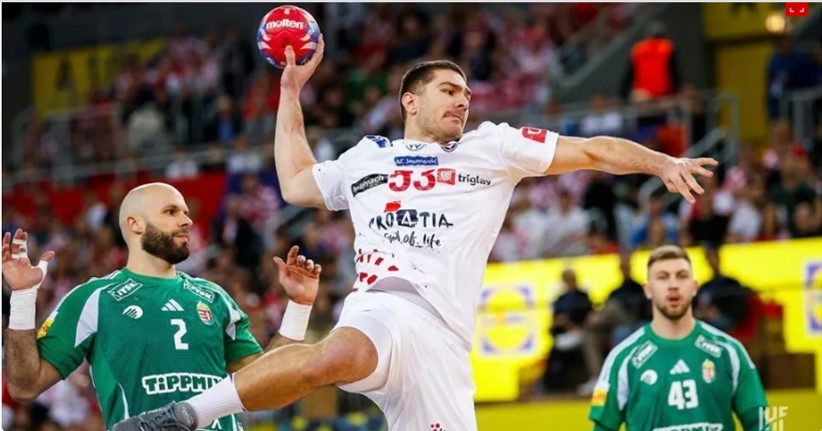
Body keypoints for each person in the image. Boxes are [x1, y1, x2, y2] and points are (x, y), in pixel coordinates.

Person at [113, 35, 718, 431]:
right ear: (410, 101)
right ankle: (182, 417)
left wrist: (660, 162)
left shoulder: (492, 147)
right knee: (333, 355)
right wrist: (289, 93)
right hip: (382, 306)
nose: (463, 101)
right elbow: (296, 182)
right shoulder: (366, 157)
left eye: (467, 93)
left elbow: (592, 150)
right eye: (449, 91)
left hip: (442, 338)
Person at [2, 182, 322, 430]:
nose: (187, 221)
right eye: (171, 212)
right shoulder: (94, 298)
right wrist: (23, 296)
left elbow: (266, 382)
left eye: (186, 212)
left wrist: (299, 305)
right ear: (135, 224)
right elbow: (24, 385)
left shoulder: (214, 297)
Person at [588, 245, 769, 431]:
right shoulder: (623, 359)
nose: (673, 285)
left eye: (681, 276)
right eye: (663, 277)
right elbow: (602, 428)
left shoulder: (729, 351)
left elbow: (761, 423)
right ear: (648, 290)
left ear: (694, 287)